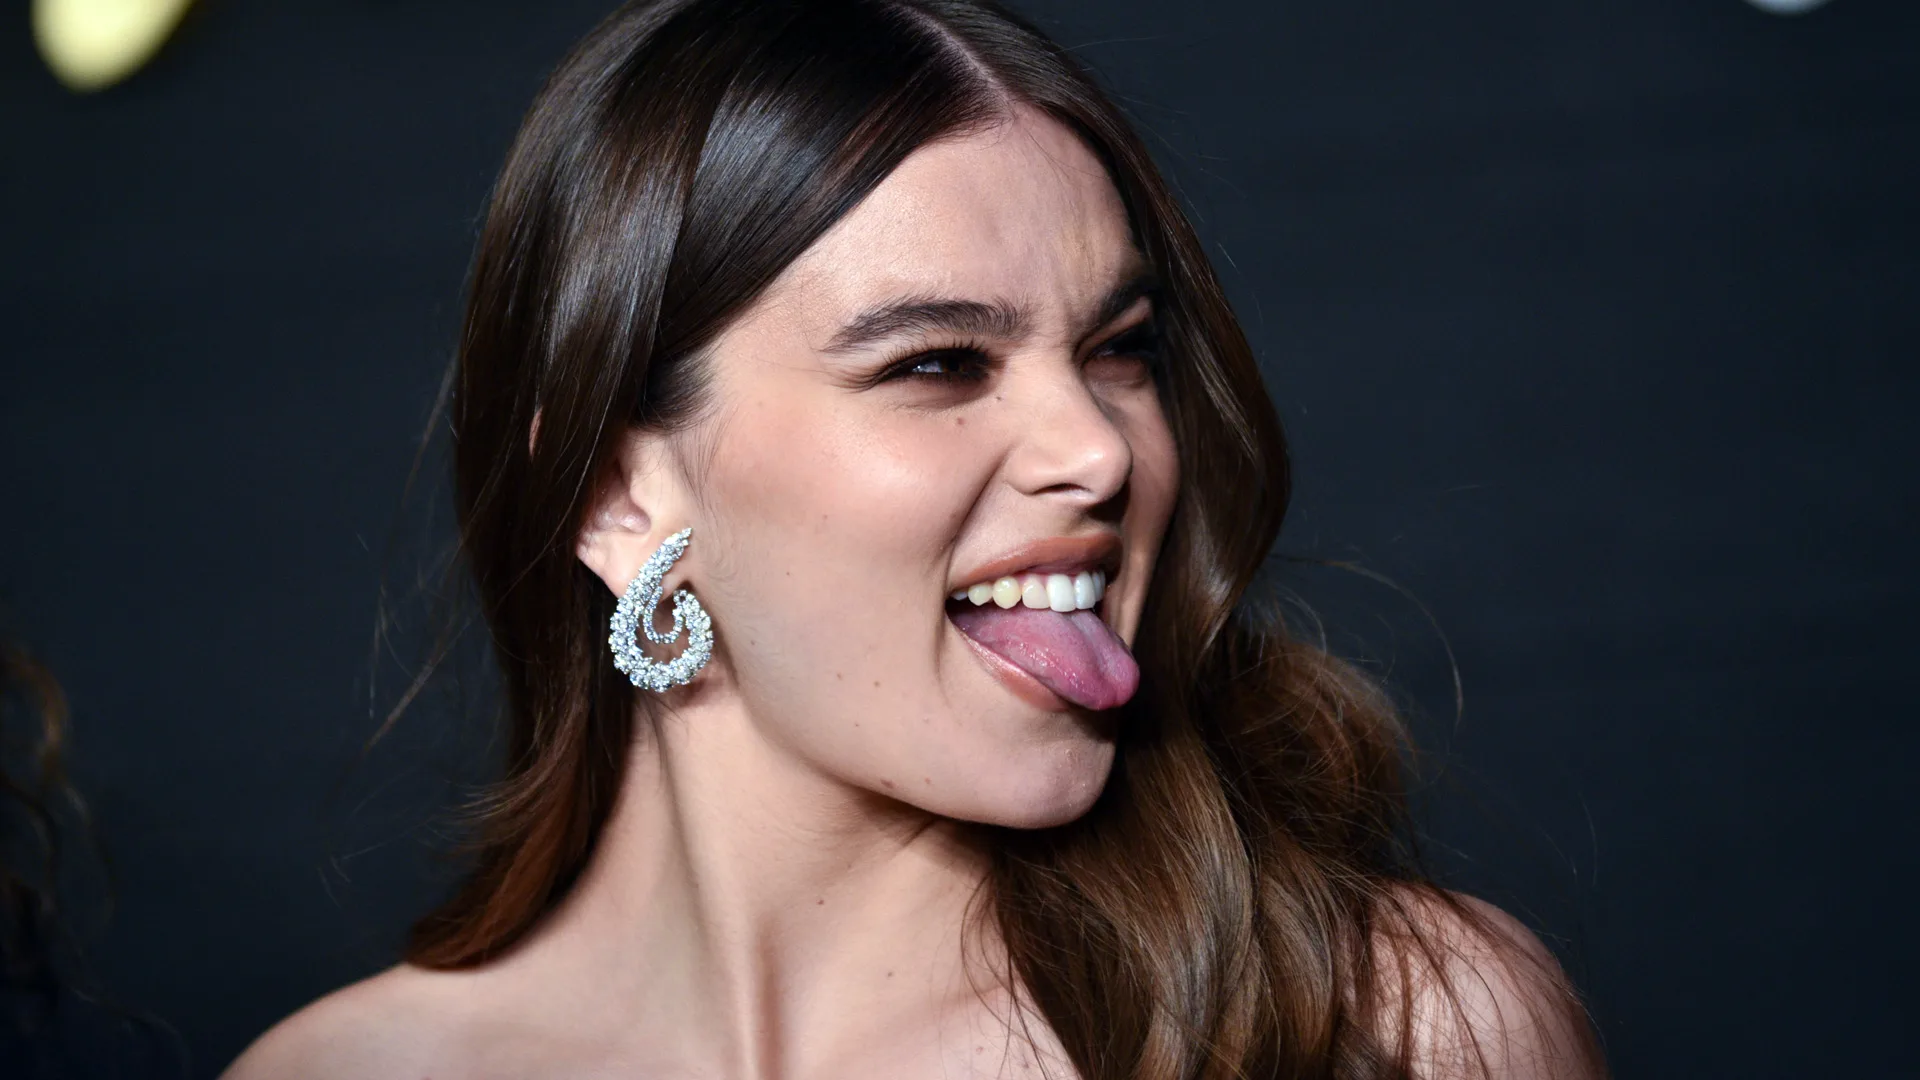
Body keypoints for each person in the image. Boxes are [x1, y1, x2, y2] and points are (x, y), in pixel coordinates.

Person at [228, 0, 1605, 1076]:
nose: (1101, 449)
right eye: (938, 363)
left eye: (1120, 351)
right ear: (613, 492)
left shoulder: (1396, 1030)